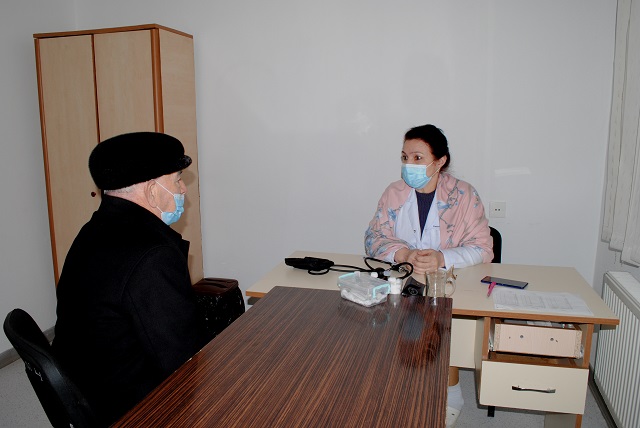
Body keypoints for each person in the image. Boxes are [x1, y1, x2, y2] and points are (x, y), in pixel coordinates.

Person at [52, 132, 208, 426]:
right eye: (177, 179)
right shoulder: (152, 255)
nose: (183, 189)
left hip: (92, 384)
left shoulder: (93, 230)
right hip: (134, 406)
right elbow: (183, 361)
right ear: (151, 191)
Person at [365, 124, 493, 427]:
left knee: (442, 326)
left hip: (448, 283)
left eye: (418, 157)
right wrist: (404, 254)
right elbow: (373, 238)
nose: (409, 164)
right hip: (403, 280)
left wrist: (442, 257)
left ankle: (451, 395)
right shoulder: (394, 193)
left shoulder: (464, 195)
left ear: (440, 161)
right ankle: (400, 385)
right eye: (405, 157)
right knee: (385, 321)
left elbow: (483, 248)